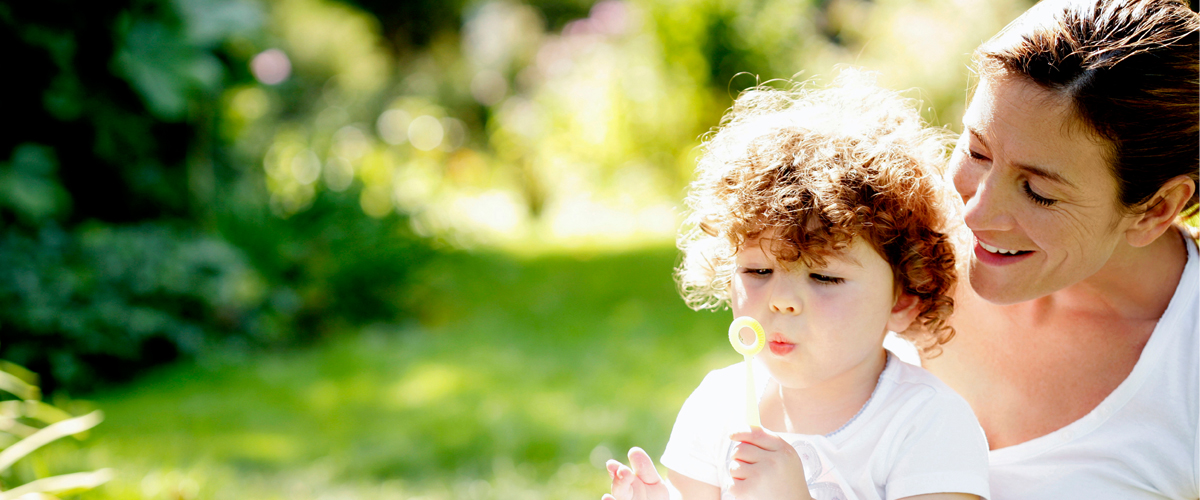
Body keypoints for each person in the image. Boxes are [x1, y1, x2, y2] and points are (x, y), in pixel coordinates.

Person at [602, 71, 990, 500]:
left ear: (905, 297)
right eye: (758, 272)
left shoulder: (926, 423)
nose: (782, 301)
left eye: (825, 277)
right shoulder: (717, 406)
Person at [919, 0, 1199, 498]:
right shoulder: (890, 243)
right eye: (977, 152)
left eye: (1039, 192)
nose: (974, 216)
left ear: (1155, 209)